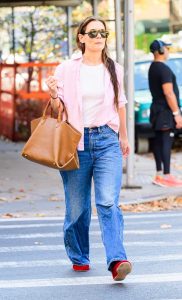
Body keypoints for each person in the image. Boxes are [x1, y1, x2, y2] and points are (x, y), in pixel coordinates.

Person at [46, 16, 132, 281]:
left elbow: (120, 104)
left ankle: (117, 260)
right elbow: (58, 110)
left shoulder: (113, 68)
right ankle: (79, 256)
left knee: (107, 201)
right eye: (92, 33)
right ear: (81, 37)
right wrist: (52, 94)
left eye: (102, 33)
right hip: (76, 141)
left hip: (107, 139)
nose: (98, 37)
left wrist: (124, 137)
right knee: (77, 209)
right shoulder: (66, 69)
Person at [148, 39, 182, 187]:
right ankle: (167, 176)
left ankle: (159, 175)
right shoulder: (163, 69)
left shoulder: (152, 68)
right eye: (167, 48)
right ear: (161, 51)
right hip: (165, 112)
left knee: (158, 141)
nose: (168, 51)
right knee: (166, 141)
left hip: (156, 109)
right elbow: (169, 92)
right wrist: (176, 113)